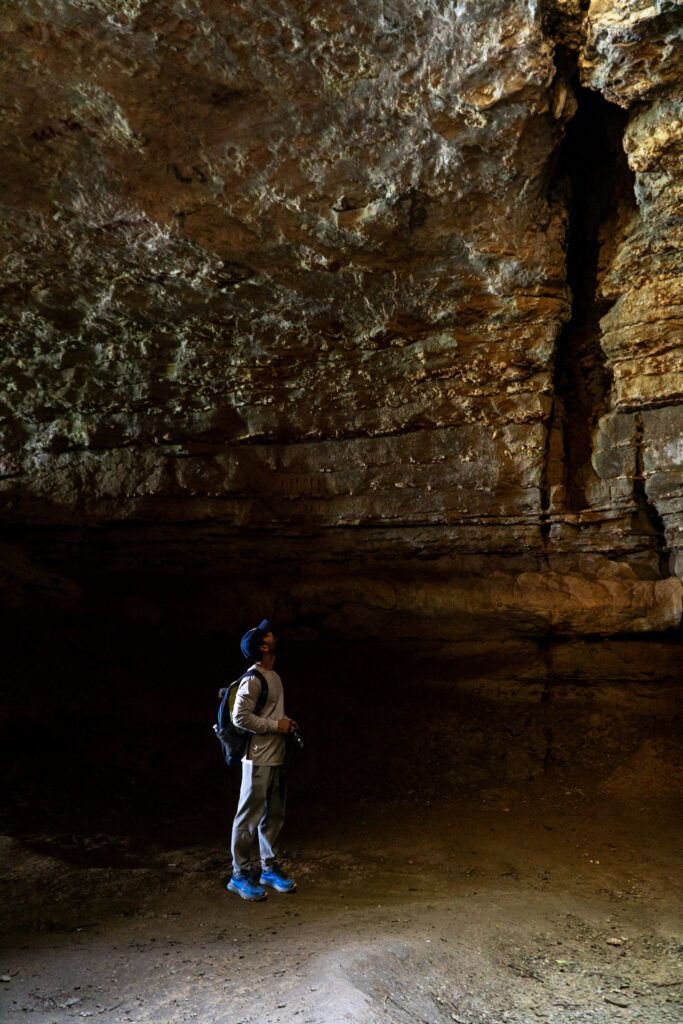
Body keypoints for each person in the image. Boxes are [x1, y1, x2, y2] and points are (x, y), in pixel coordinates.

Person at [227, 619, 298, 901]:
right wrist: (274, 727)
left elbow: (267, 715)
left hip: (276, 756)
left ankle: (268, 869)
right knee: (248, 817)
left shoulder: (274, 676)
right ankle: (239, 874)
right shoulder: (252, 679)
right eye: (268, 634)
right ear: (263, 646)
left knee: (274, 815)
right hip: (257, 758)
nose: (272, 634)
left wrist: (284, 725)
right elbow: (239, 717)